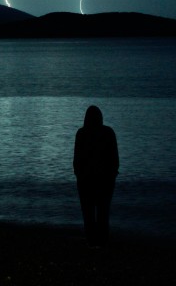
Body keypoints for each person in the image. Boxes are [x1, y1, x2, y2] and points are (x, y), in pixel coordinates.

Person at [73, 105, 119, 246]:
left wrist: (80, 175)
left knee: (88, 214)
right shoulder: (108, 132)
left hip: (86, 181)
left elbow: (76, 160)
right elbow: (115, 159)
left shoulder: (81, 133)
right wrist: (112, 175)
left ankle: (91, 242)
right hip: (104, 181)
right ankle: (102, 242)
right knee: (103, 213)